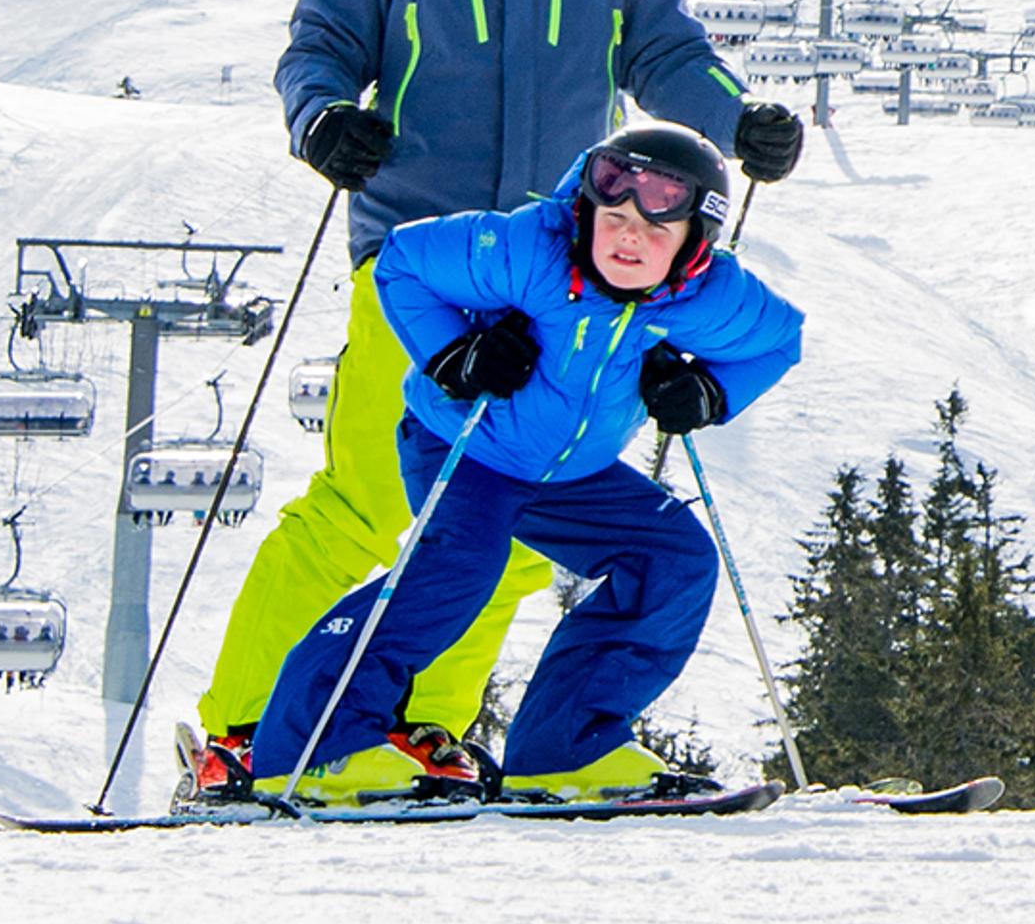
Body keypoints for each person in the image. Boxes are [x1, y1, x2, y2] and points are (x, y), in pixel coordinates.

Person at [186, 0, 805, 805]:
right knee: (372, 500)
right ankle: (246, 727)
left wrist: (734, 122)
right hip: (419, 251)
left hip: (569, 262)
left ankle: (416, 726)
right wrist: (323, 116)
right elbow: (318, 44)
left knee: (513, 520)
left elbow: (667, 53)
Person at [255, 124, 804, 802]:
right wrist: (454, 356)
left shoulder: (710, 296)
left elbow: (781, 340)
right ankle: (316, 749)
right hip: (468, 442)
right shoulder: (525, 250)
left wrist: (709, 391)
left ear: (695, 241)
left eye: (655, 230)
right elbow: (401, 263)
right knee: (460, 565)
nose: (628, 238)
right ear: (585, 210)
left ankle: (563, 752)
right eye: (614, 217)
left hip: (571, 474)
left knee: (674, 558)